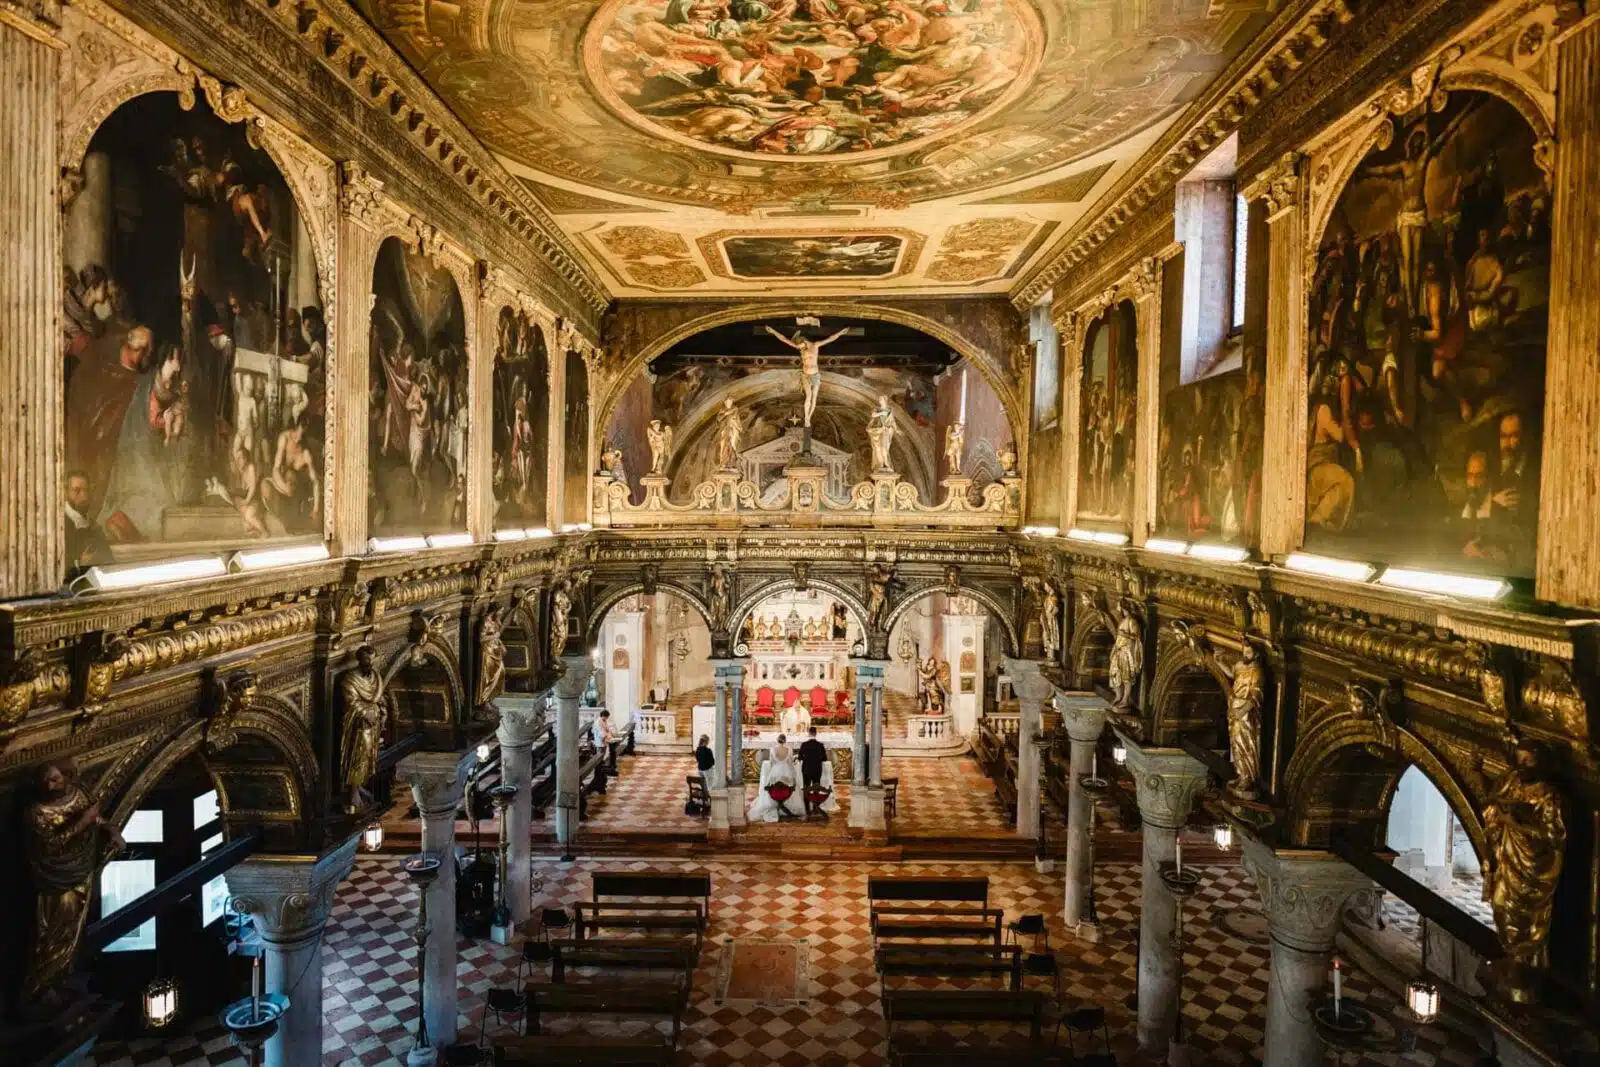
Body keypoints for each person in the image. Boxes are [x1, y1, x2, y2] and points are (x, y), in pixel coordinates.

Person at [748, 733, 800, 822]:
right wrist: (794, 776)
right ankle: (786, 805)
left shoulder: (772, 750)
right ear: (785, 741)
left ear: (777, 740)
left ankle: (774, 802)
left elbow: (771, 763)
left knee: (772, 786)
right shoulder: (789, 750)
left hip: (775, 771)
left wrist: (773, 772)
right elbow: (790, 764)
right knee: (789, 785)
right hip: (787, 772)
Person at [799, 727, 829, 816]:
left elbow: (800, 757)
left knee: (806, 789)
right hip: (817, 770)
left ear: (809, 733)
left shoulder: (804, 744)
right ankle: (816, 808)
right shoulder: (820, 745)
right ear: (816, 733)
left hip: (806, 770)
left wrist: (806, 758)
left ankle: (807, 810)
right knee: (816, 788)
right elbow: (824, 758)